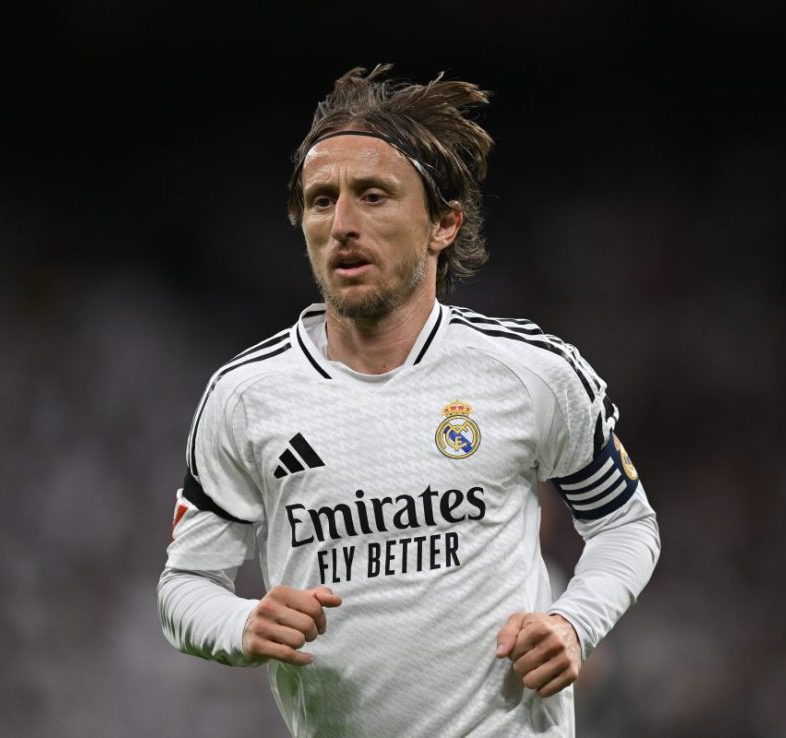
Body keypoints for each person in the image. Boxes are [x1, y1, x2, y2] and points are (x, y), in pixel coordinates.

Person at [157, 63, 660, 737]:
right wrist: (242, 622)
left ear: (442, 226)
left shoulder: (529, 372)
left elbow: (625, 525)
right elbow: (184, 586)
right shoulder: (246, 397)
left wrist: (573, 622)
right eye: (319, 199)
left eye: (372, 195)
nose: (340, 224)